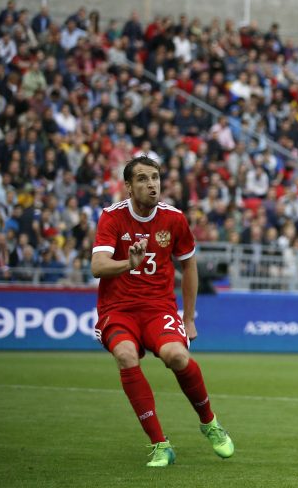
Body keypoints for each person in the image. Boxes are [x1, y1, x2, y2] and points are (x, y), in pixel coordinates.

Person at [91, 156, 234, 467]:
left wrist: (190, 318)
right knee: (126, 355)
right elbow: (97, 266)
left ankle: (210, 423)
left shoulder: (174, 219)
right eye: (142, 179)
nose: (151, 184)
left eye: (154, 177)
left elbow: (189, 265)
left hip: (158, 309)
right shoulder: (111, 217)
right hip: (118, 310)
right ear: (128, 187)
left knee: (178, 356)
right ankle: (160, 444)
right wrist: (128, 264)